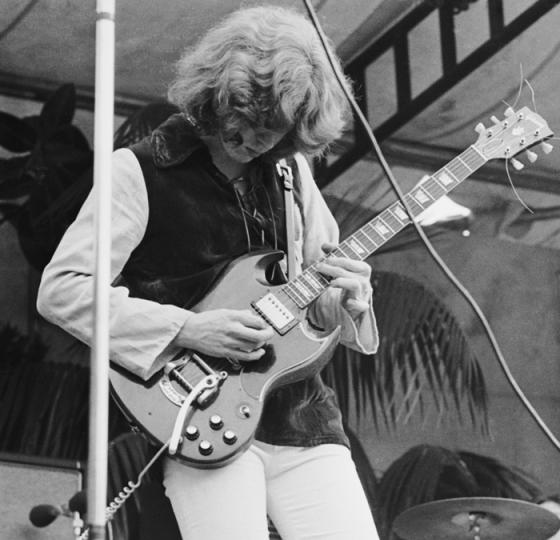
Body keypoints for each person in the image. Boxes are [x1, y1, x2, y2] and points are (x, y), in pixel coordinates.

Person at [36, 6, 379, 540]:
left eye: (276, 131)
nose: (257, 142)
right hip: (200, 414)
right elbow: (63, 290)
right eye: (243, 124)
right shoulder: (139, 171)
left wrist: (343, 303)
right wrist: (186, 327)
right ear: (216, 97)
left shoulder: (292, 174)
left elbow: (318, 296)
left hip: (303, 417)